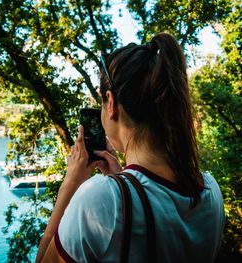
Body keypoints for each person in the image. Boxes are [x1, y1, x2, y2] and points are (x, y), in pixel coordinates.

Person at [36, 32, 225, 263]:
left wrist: (71, 183)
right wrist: (124, 181)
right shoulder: (210, 191)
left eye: (101, 103)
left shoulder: (101, 200)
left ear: (111, 103)